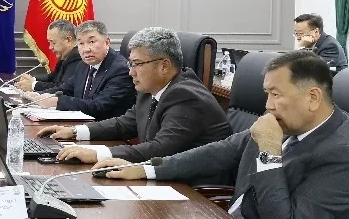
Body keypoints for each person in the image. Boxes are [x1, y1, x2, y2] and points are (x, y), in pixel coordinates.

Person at [95, 50, 349, 219]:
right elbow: (220, 151)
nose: (268, 106)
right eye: (267, 94)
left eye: (276, 95)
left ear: (313, 97)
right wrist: (144, 169)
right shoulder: (291, 121)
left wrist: (269, 152)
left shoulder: (344, 156)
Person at [39, 27, 232, 165]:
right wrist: (74, 132)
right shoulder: (151, 89)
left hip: (197, 193)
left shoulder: (186, 96)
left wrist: (96, 153)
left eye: (137, 64)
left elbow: (159, 149)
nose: (131, 72)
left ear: (164, 66)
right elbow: (124, 124)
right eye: (131, 64)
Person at [24, 20, 135, 121]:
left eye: (92, 42)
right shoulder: (84, 64)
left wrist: (57, 101)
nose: (86, 49)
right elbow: (65, 89)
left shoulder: (120, 69)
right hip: (82, 125)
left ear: (107, 42)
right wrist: (37, 96)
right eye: (81, 43)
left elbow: (98, 106)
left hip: (107, 131)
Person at [16, 19, 81, 93]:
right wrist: (32, 79)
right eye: (49, 42)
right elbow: (52, 77)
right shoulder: (65, 55)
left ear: (68, 39)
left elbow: (62, 87)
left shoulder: (76, 57)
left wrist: (33, 85)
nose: (50, 47)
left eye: (53, 43)